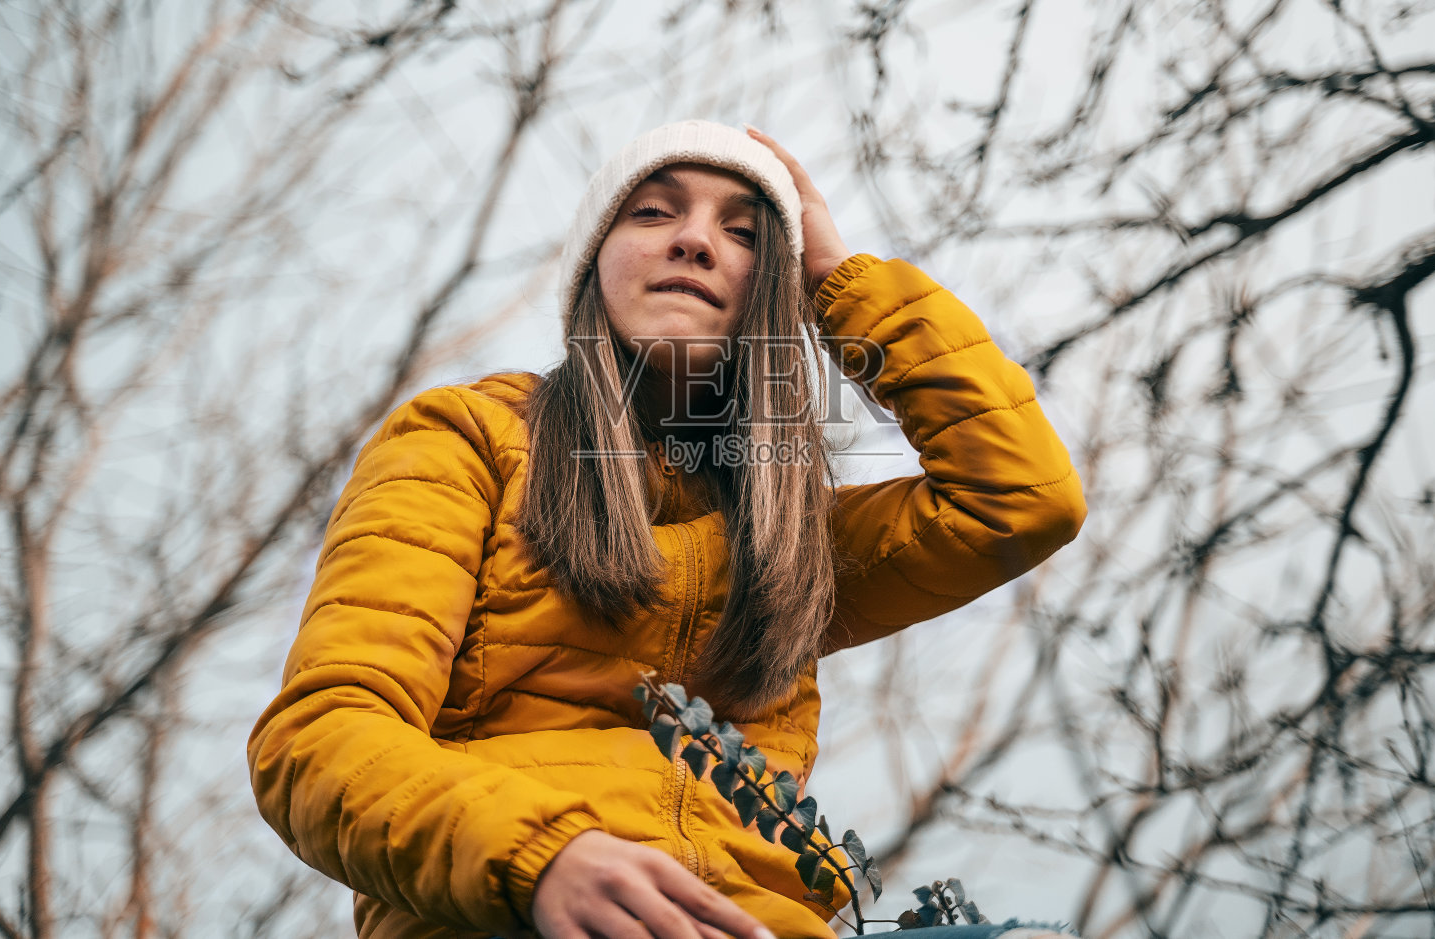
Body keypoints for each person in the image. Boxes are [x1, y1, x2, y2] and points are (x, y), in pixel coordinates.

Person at [247, 120, 1087, 939]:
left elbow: (1020, 499)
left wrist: (836, 275)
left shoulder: (786, 537)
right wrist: (541, 857)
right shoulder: (470, 440)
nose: (694, 240)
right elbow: (321, 737)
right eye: (653, 212)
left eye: (745, 233)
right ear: (592, 267)